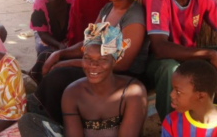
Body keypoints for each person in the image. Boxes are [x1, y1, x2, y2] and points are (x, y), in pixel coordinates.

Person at [33, 0, 149, 123]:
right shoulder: (107, 9)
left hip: (120, 74)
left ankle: (53, 124)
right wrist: (60, 54)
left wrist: (68, 63)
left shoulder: (133, 16)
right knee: (45, 58)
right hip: (99, 64)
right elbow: (89, 43)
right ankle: (39, 109)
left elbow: (121, 63)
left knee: (58, 76)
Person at [19, 22, 147, 137]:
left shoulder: (133, 92)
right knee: (28, 122)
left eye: (102, 59)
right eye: (87, 58)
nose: (93, 65)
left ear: (115, 60)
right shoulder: (72, 93)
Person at [161, 60, 217, 137]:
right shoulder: (171, 122)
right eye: (173, 89)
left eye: (178, 92)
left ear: (201, 96)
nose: (171, 94)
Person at [28, 0, 75, 83]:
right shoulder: (39, 1)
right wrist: (59, 45)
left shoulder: (73, 0)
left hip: (66, 36)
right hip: (45, 35)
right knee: (44, 52)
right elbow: (42, 33)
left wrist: (66, 46)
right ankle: (43, 81)